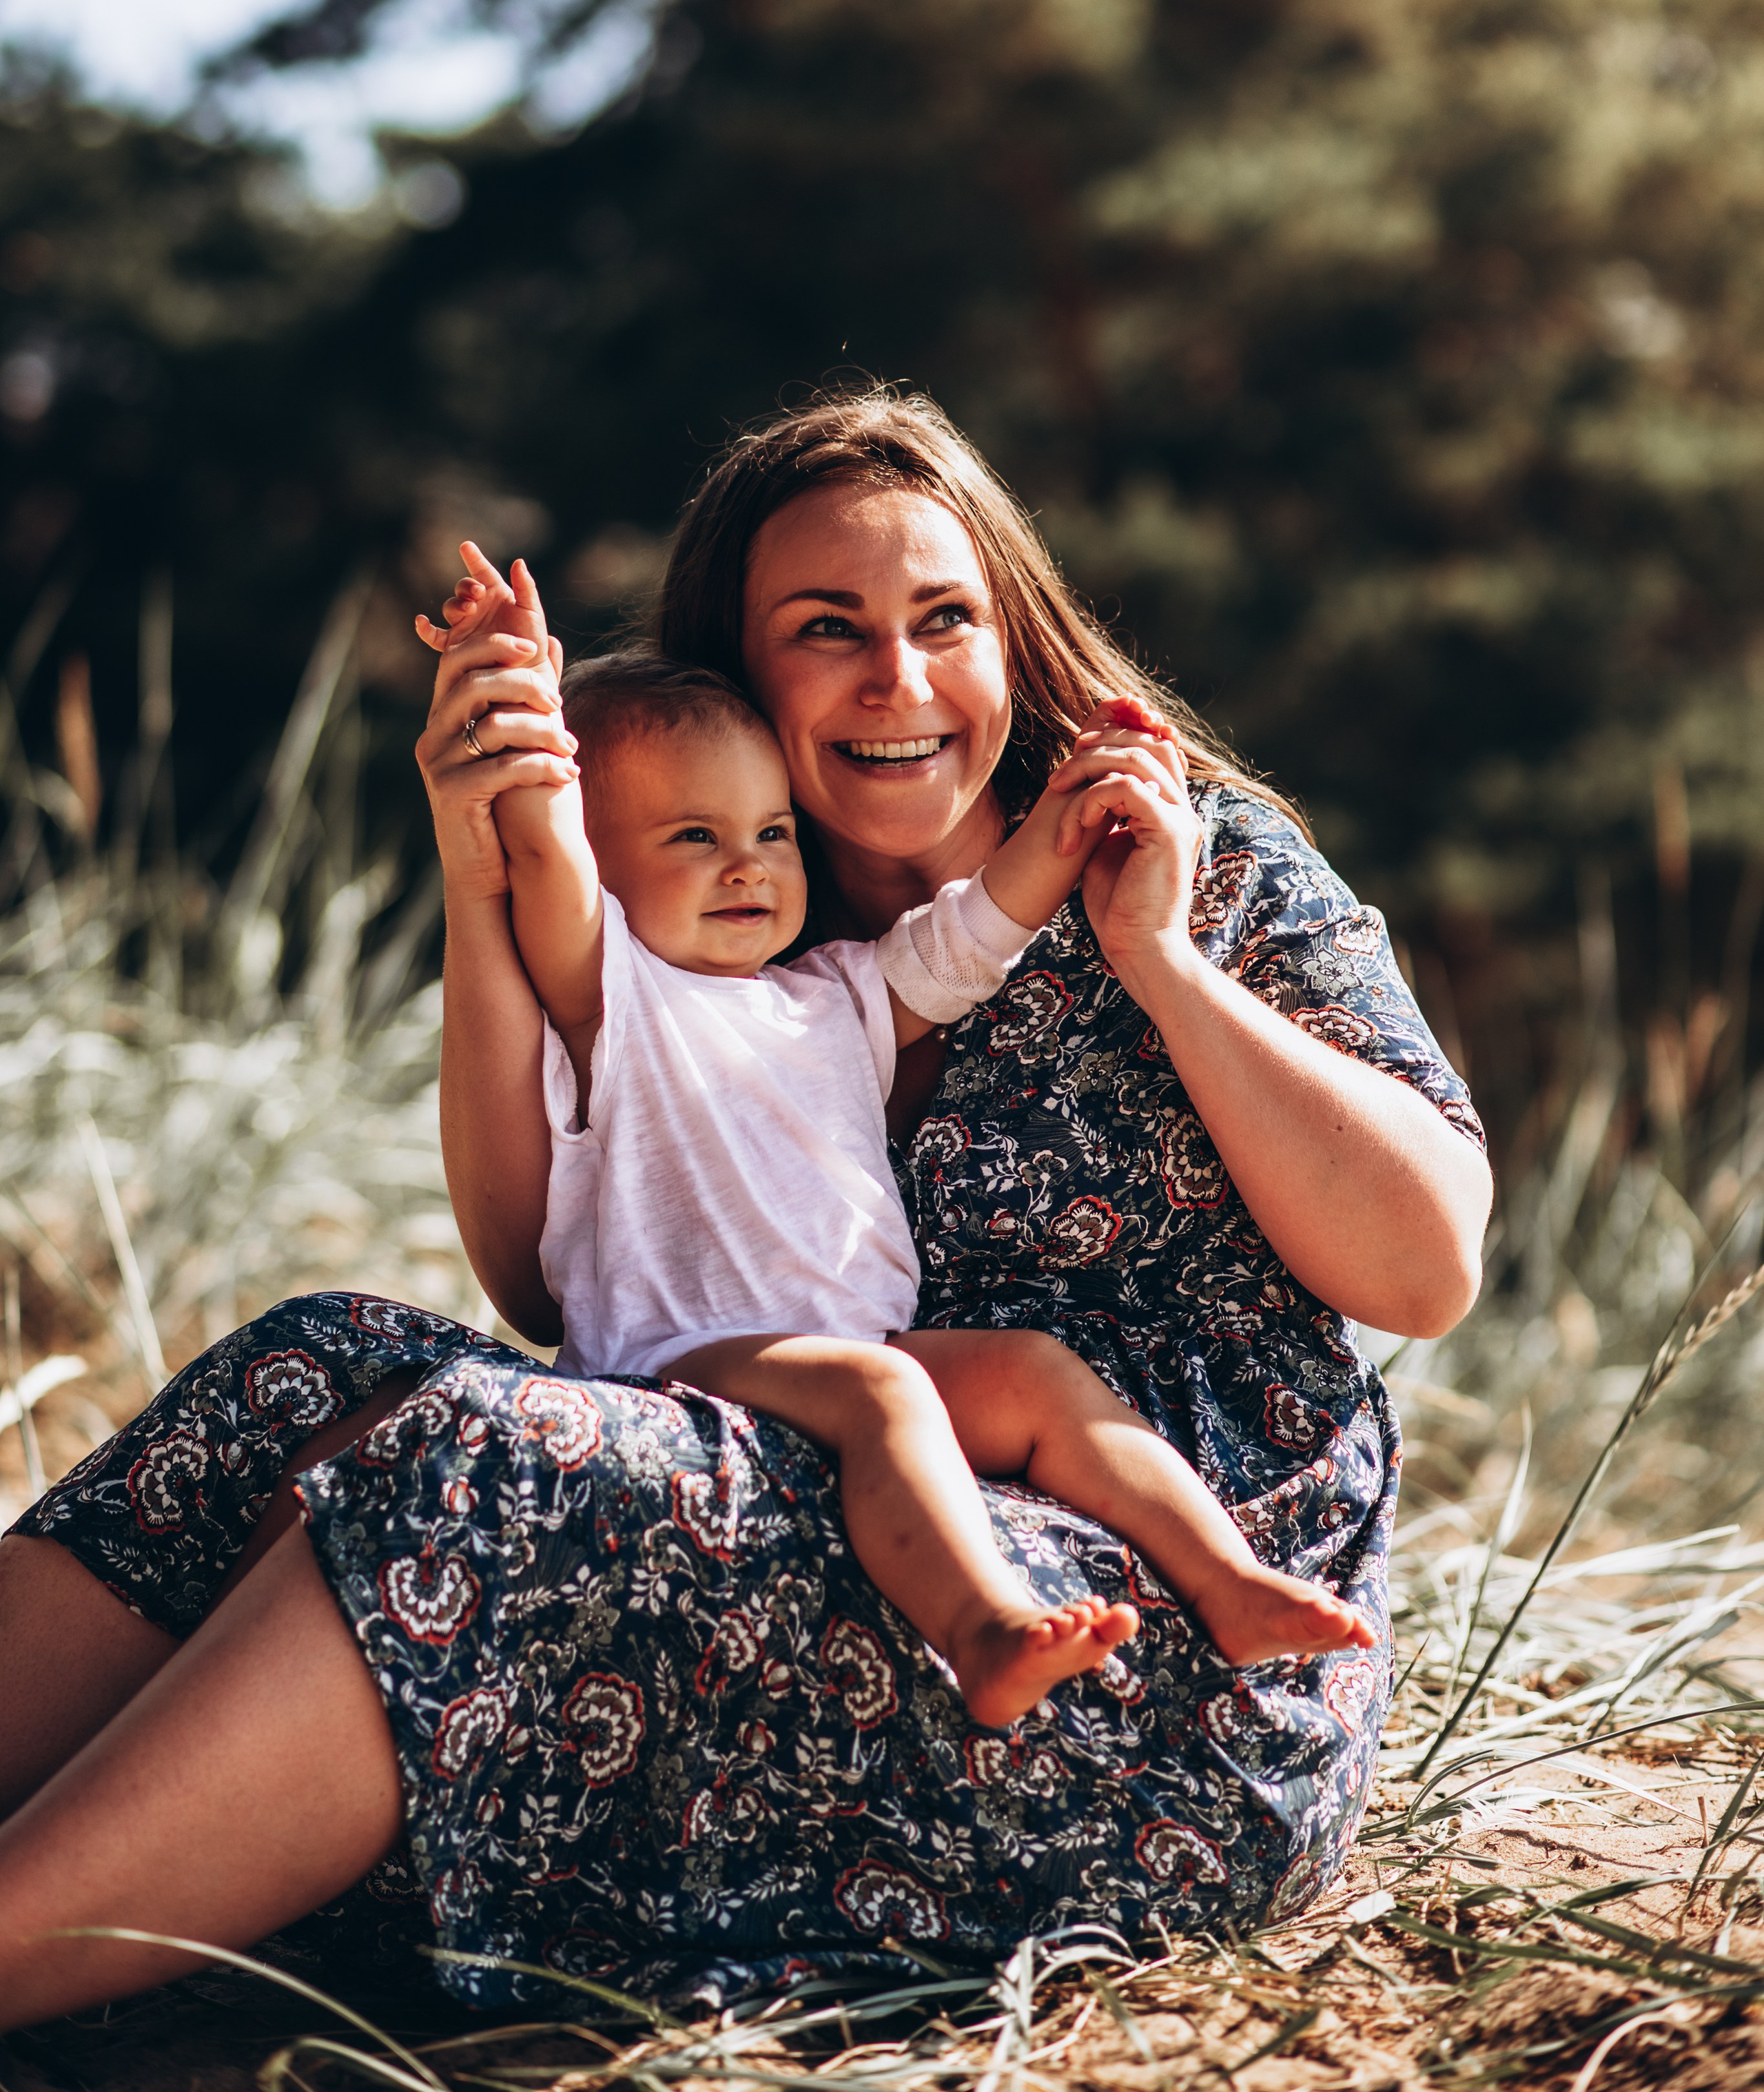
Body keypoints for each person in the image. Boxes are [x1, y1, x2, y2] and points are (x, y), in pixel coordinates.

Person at [0, 390, 1490, 2034]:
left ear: (1013, 635)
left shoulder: (1182, 851)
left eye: (943, 619)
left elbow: (1422, 1270)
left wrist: (1161, 965)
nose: (897, 682)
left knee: (492, 1464)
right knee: (314, 1365)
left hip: (1143, 1633)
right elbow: (534, 1275)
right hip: (804, 1492)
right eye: (826, 630)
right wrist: (483, 867)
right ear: (734, 669)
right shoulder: (714, 883)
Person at [443, 588, 1377, 1719]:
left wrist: (1065, 822)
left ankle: (1230, 1580)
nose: (747, 865)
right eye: (695, 836)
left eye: (770, 832)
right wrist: (522, 707)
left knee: (1028, 1372)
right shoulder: (612, 997)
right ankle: (987, 1630)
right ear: (602, 867)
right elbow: (544, 852)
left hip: (851, 1354)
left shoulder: (834, 994)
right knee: (886, 1389)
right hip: (680, 1365)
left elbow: (971, 936)